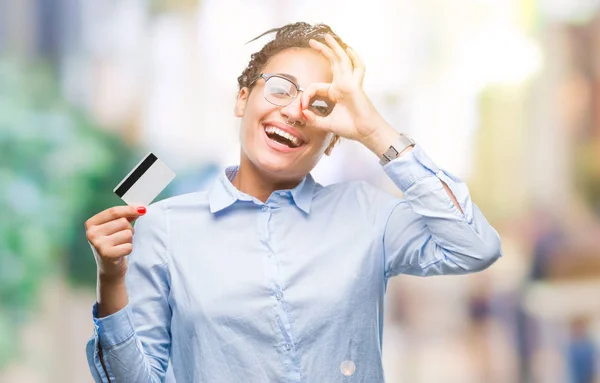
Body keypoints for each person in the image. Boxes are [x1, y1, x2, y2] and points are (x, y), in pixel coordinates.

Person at [85, 22, 502, 382]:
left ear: (333, 139)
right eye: (280, 88)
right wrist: (112, 279)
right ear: (242, 99)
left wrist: (373, 129)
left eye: (319, 105)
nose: (295, 111)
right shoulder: (166, 227)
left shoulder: (365, 213)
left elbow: (475, 246)